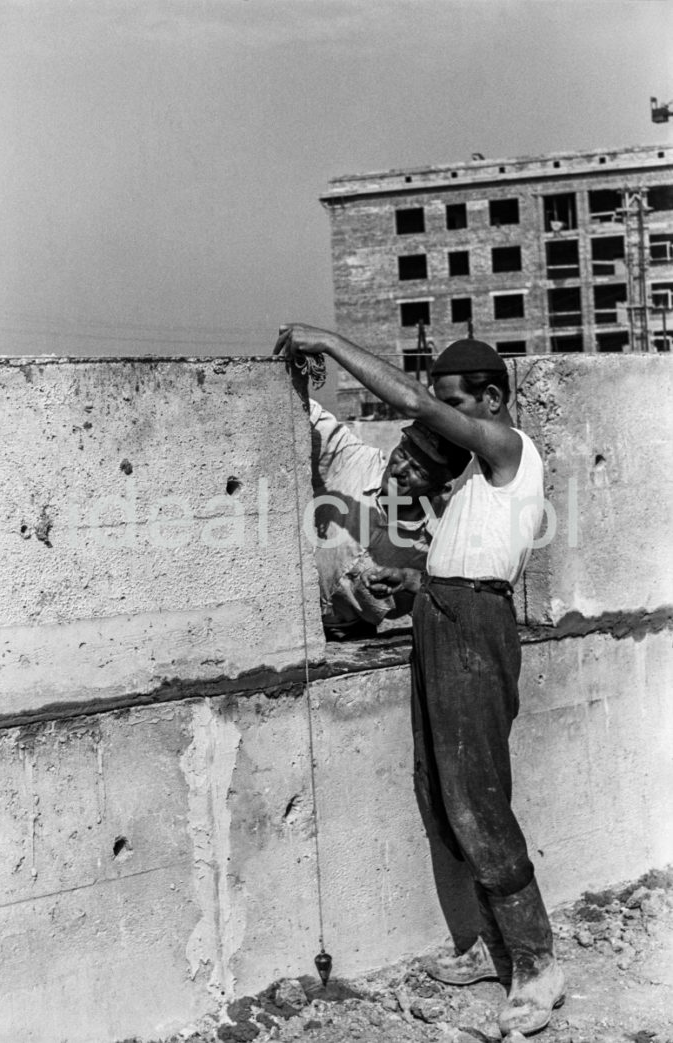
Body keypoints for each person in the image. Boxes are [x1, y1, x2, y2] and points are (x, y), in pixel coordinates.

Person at [275, 325, 565, 1037]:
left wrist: (329, 344)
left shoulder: (511, 451)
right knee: (439, 789)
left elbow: (412, 402)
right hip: (443, 614)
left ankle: (537, 962)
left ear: (492, 399)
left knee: (476, 797)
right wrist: (407, 577)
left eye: (453, 402)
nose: (439, 413)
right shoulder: (475, 488)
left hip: (472, 627)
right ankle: (488, 945)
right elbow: (460, 560)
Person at [307, 398, 469, 638]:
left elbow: (458, 598)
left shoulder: (437, 540)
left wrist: (410, 581)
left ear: (437, 489)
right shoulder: (354, 460)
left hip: (354, 636)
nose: (400, 469)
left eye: (418, 471)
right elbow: (311, 414)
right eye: (401, 453)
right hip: (289, 616)